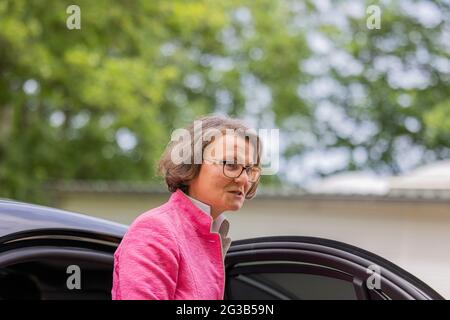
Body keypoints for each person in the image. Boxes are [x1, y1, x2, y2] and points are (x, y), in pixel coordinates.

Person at [111, 115, 262, 300]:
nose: (244, 179)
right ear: (191, 165)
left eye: (249, 169)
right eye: (230, 164)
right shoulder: (156, 230)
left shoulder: (211, 237)